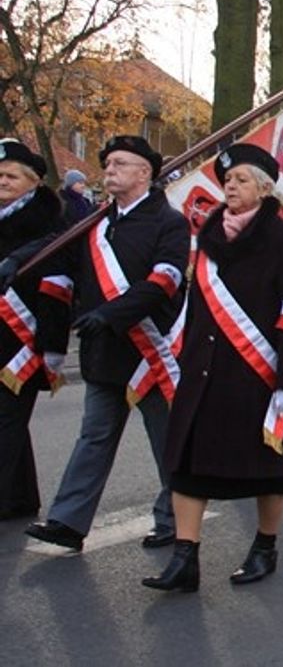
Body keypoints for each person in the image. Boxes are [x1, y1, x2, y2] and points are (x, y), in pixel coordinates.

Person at [142, 143, 283, 592]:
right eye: (227, 180)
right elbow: (197, 305)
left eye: (240, 179)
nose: (230, 187)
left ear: (263, 187)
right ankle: (185, 559)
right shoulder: (209, 234)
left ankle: (264, 547)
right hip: (204, 370)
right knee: (187, 463)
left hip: (258, 372)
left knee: (269, 467)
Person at [25, 135, 189, 552]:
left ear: (144, 173)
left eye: (119, 163)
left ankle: (174, 519)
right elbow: (60, 262)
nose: (109, 169)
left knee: (166, 440)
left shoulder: (169, 222)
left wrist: (110, 315)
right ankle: (68, 521)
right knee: (94, 437)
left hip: (149, 353)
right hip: (104, 353)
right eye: (108, 163)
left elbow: (165, 280)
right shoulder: (94, 223)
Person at [0, 140, 70, 521]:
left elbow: (58, 283)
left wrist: (52, 343)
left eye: (11, 176)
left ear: (32, 182)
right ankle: (20, 498)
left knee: (7, 417)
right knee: (9, 419)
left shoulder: (49, 222)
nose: (2, 182)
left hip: (23, 338)